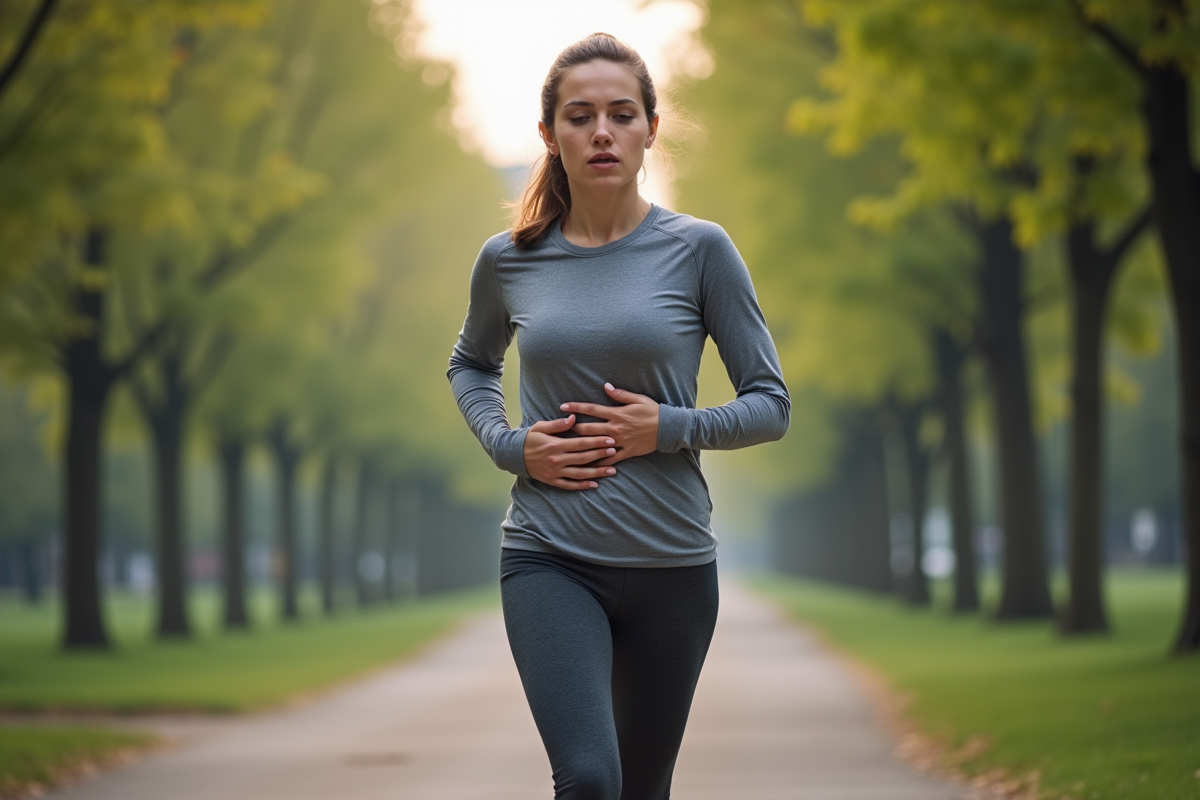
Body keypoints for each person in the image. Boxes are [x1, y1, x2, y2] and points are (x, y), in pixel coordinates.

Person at [447, 32, 790, 800]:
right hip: (550, 558)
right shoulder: (508, 259)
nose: (601, 132)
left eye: (621, 114)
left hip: (674, 565)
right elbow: (470, 364)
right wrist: (510, 446)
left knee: (641, 789)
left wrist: (668, 427)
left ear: (650, 129)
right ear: (550, 135)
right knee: (591, 779)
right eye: (580, 116)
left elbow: (771, 406)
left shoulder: (701, 251)